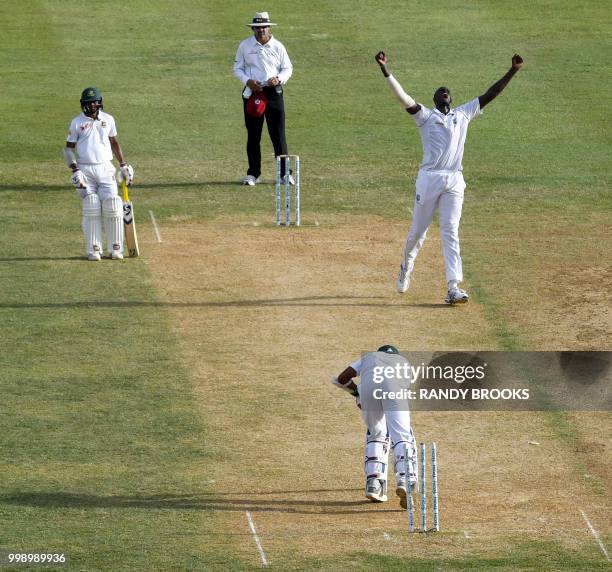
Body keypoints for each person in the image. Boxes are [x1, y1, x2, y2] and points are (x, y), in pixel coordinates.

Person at [375, 51, 524, 304]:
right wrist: (385, 69)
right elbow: (401, 97)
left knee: (450, 231)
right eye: (440, 91)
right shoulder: (425, 116)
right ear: (434, 99)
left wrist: (513, 71)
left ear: (451, 99)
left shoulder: (463, 114)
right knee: (417, 233)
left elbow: (491, 94)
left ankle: (454, 287)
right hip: (429, 178)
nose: (444, 92)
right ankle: (405, 266)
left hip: (455, 180)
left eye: (447, 91)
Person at [332, 345, 417, 508]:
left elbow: (342, 378)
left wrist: (357, 394)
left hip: (368, 389)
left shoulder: (369, 357)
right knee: (402, 435)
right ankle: (405, 481)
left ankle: (374, 484)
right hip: (395, 390)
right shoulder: (404, 362)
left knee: (376, 434)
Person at [64, 87, 134, 261]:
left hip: (105, 168)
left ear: (100, 102)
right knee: (92, 206)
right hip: (85, 169)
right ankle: (94, 249)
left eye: (94, 102)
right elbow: (67, 149)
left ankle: (115, 248)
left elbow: (114, 143)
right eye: (88, 103)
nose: (92, 105)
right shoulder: (76, 122)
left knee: (113, 205)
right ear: (83, 104)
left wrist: (123, 164)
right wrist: (75, 169)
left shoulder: (108, 119)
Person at [233, 12, 293, 186]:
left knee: (278, 135)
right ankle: (253, 174)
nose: (261, 31)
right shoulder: (245, 45)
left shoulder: (278, 46)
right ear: (253, 29)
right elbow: (237, 68)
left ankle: (284, 174)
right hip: (253, 94)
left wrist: (279, 79)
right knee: (253, 135)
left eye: (264, 27)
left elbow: (287, 68)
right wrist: (248, 81)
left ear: (269, 28)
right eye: (257, 28)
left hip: (273, 93)